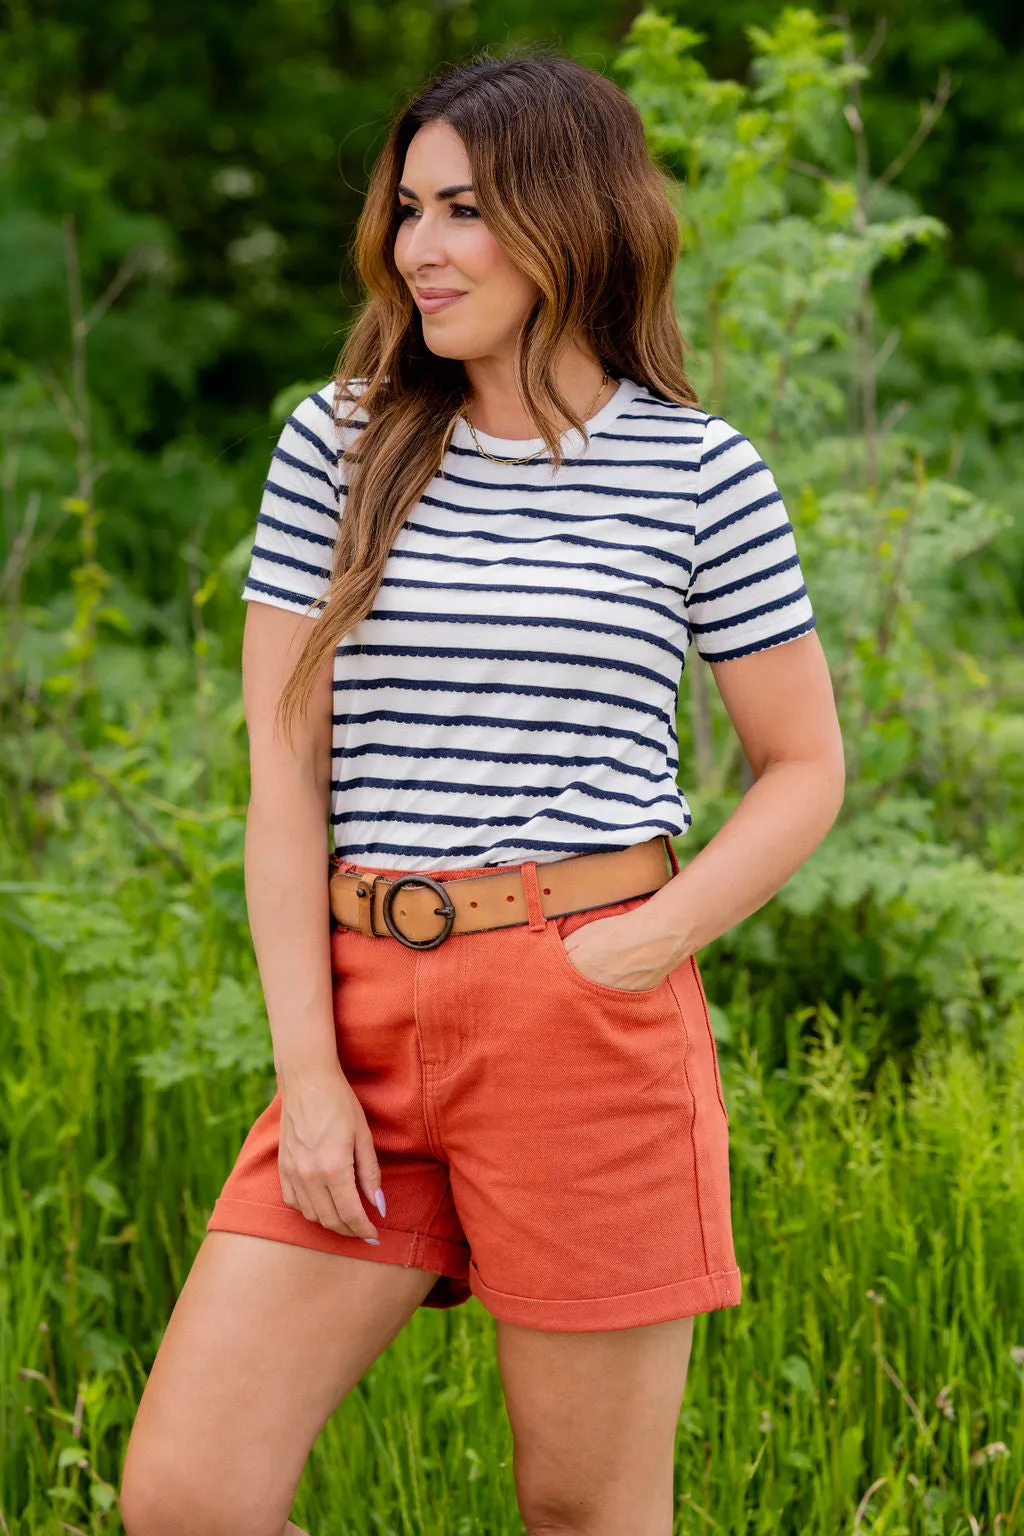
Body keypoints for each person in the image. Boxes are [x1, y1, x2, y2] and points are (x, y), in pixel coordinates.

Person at [119, 43, 844, 1536]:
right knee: (188, 1496)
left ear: (571, 218)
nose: (419, 249)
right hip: (363, 1012)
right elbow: (284, 775)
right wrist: (308, 1073)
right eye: (408, 210)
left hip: (582, 1017)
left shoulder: (699, 473)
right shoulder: (340, 441)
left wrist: (636, 951)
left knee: (583, 1512)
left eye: (463, 211)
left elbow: (803, 767)